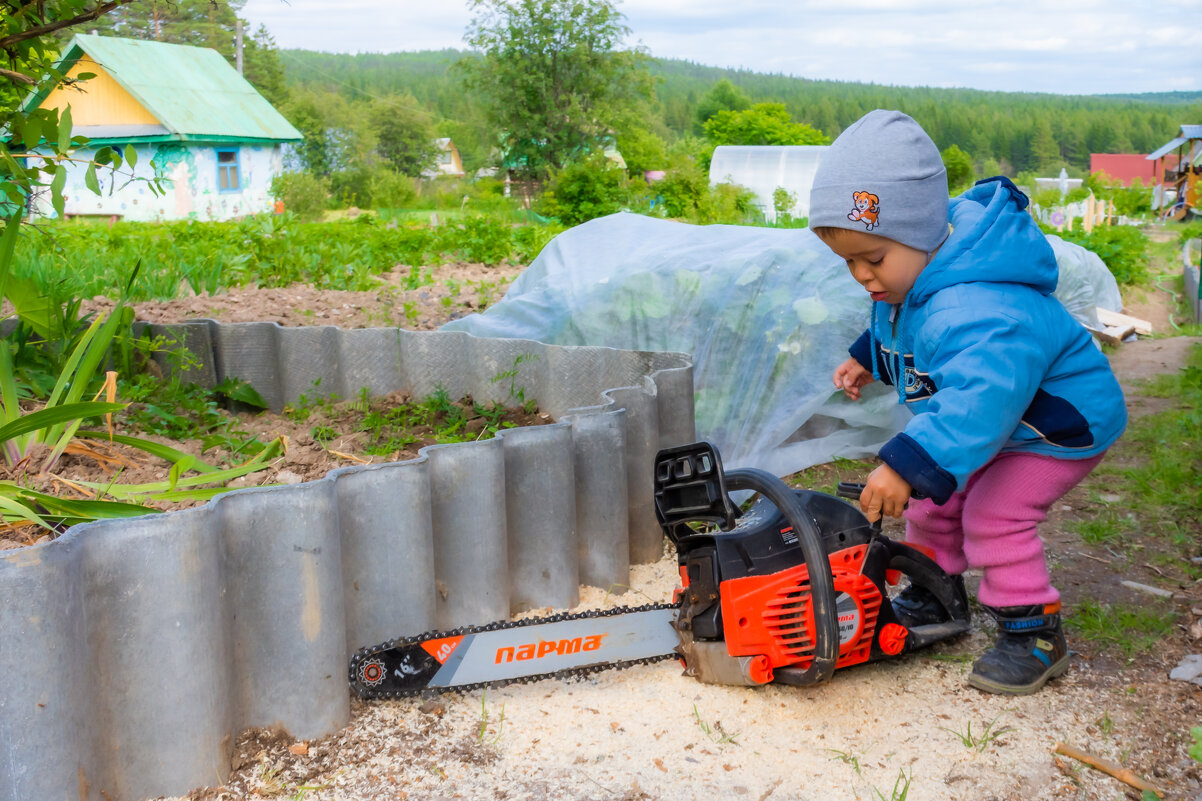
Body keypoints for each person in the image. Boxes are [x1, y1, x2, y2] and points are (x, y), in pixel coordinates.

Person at [807, 110, 1127, 695]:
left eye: (872, 259)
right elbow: (907, 326)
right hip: (999, 421)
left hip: (1054, 428)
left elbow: (981, 399)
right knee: (933, 504)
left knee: (994, 516)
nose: (861, 275)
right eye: (848, 262)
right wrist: (870, 355)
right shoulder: (923, 269)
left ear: (922, 231)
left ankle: (1034, 634)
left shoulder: (980, 306)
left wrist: (905, 461)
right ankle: (936, 595)